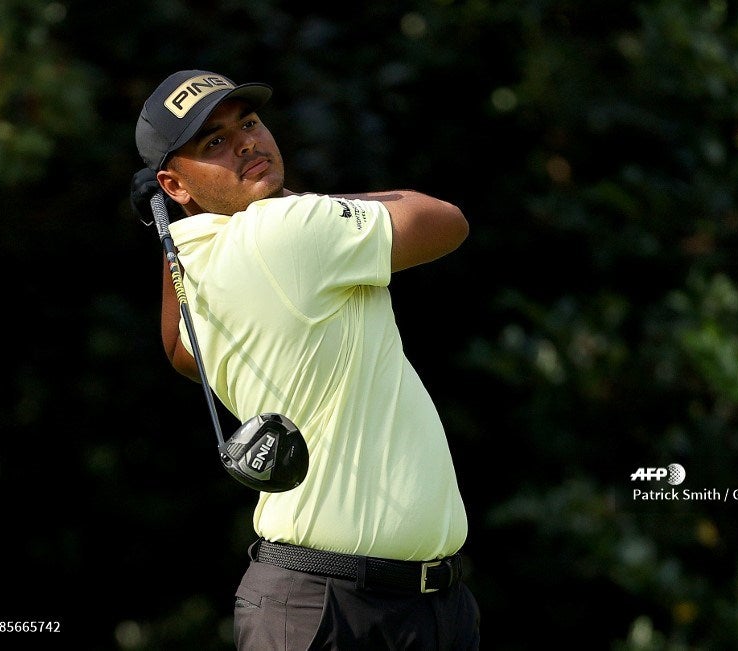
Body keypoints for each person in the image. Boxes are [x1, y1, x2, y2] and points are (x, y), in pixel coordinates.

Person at [130, 70, 479, 649]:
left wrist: (170, 222)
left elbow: (183, 352)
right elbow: (444, 219)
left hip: (385, 607)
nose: (245, 142)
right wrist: (296, 202)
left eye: (248, 123)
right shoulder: (286, 225)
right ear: (175, 183)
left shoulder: (196, 257)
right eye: (213, 142)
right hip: (330, 609)